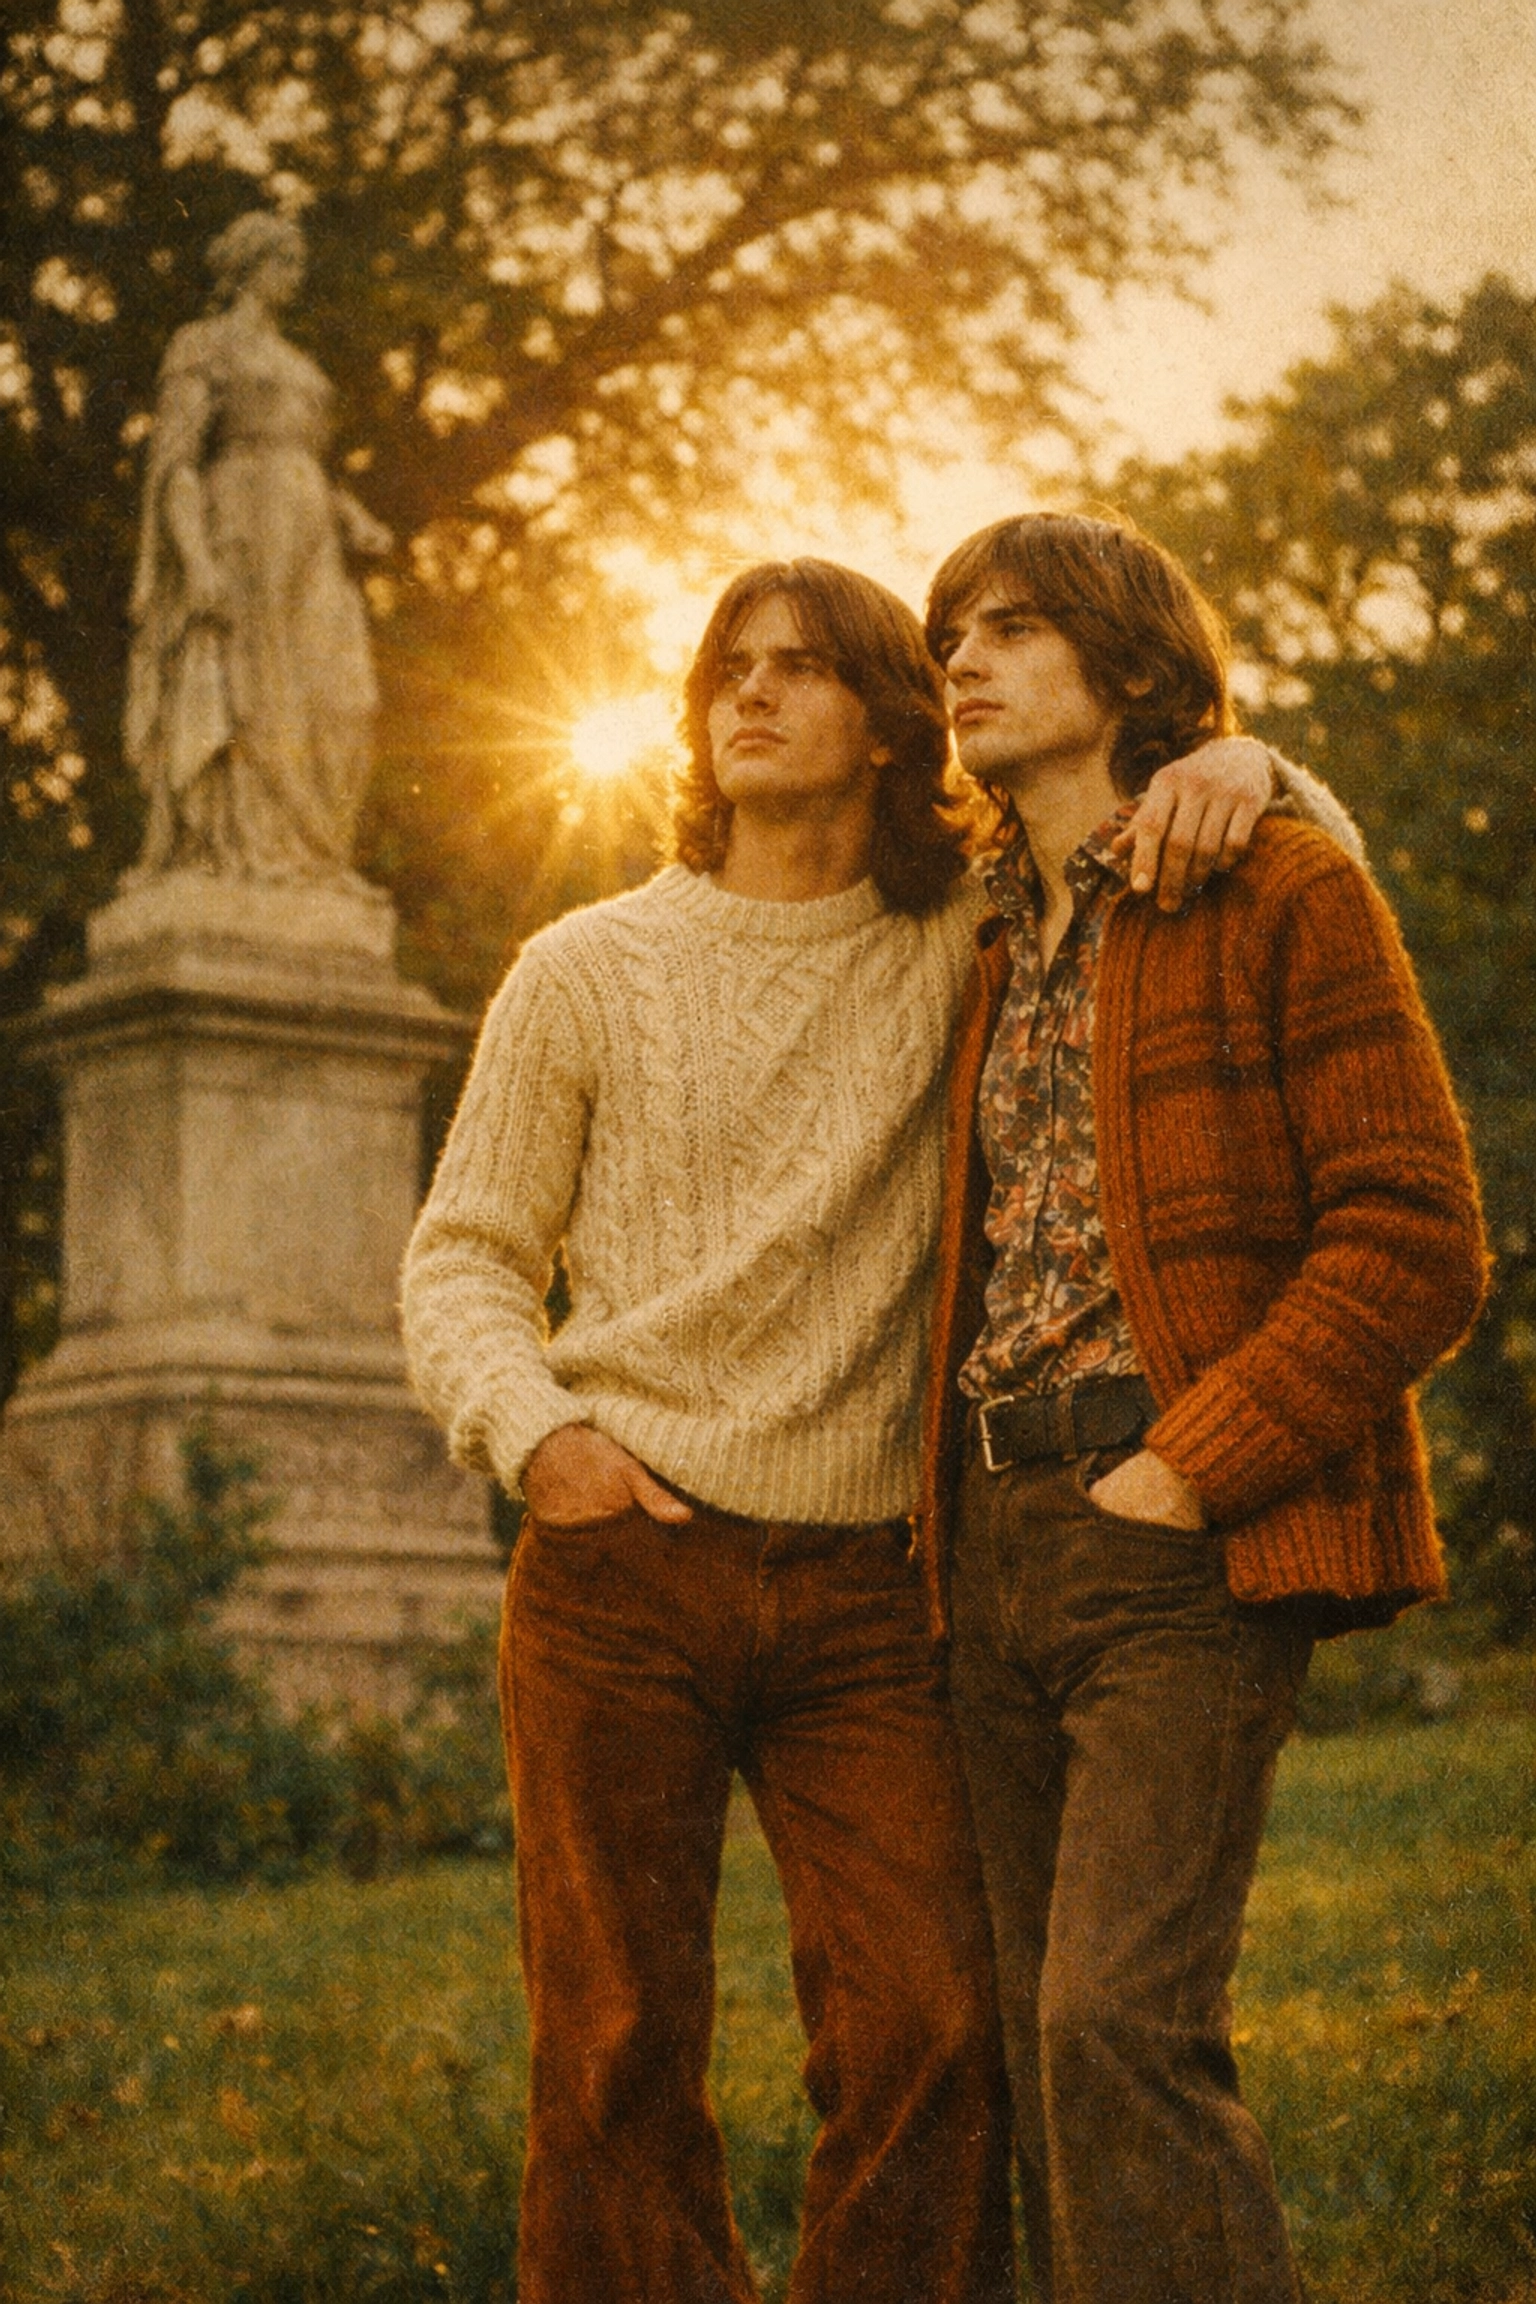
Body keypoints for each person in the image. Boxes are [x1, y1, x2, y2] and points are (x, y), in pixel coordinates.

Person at [400, 554, 1327, 2304]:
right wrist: (539, 1437)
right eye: (724, 670)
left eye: (802, 667)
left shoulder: (971, 934)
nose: (749, 693)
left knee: (931, 2024)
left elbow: (1222, 843)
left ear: (892, 721)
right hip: (615, 1568)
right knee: (611, 2043)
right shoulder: (582, 966)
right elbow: (463, 1255)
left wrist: (1251, 762)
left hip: (872, 1596)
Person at [916, 512, 1487, 2304]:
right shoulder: (982, 938)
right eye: (951, 635)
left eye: (1014, 628)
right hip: (986, 1537)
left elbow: (1417, 1238)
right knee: (1028, 2039)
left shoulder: (1277, 886)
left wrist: (1193, 1462)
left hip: (1176, 1532)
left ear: (1133, 668)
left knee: (1115, 2021)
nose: (963, 661)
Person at [125, 211, 391, 882]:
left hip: (310, 537)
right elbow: (177, 462)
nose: (294, 279)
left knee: (345, 696)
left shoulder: (297, 364)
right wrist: (196, 558)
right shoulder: (203, 345)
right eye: (285, 263)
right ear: (251, 265)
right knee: (253, 680)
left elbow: (313, 465)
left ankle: (314, 853)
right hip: (242, 524)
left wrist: (352, 515)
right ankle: (244, 846)